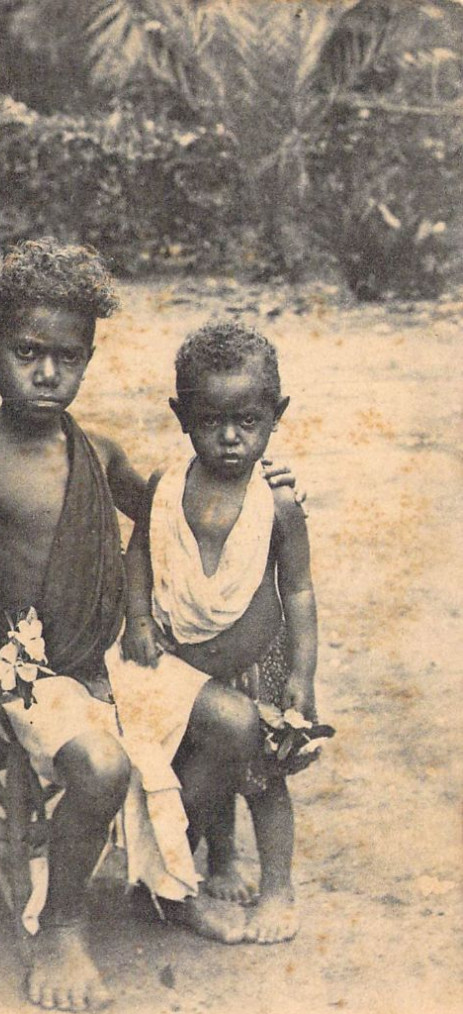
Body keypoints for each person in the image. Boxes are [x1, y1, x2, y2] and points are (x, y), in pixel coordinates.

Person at [0, 240, 297, 1011]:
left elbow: (171, 507)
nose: (48, 373)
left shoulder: (98, 452)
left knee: (233, 722)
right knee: (98, 765)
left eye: (69, 356)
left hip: (103, 653)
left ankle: (162, 877)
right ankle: (61, 927)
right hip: (23, 667)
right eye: (28, 352)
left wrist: (255, 486)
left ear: (87, 359)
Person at [119, 321, 319, 944]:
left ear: (276, 415)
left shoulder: (277, 504)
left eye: (249, 422)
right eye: (211, 422)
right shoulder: (166, 489)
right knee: (203, 763)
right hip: (187, 662)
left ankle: (278, 887)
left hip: (258, 661)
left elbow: (301, 591)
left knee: (262, 775)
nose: (231, 439)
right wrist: (139, 619)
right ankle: (223, 859)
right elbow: (139, 557)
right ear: (182, 416)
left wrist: (304, 675)